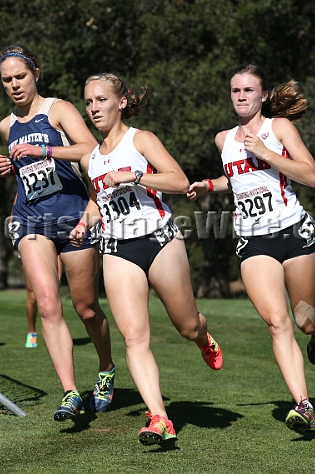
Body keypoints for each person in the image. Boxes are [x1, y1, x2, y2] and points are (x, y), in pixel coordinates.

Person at [69, 73, 224, 446]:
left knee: (186, 325)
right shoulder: (90, 158)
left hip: (160, 241)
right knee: (134, 337)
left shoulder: (141, 139)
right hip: (118, 250)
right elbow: (97, 201)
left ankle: (203, 337)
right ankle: (160, 418)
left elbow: (179, 180)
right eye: (89, 102)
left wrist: (137, 175)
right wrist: (83, 223)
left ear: (120, 102)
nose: (93, 109)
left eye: (101, 100)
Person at [187, 64, 315, 433]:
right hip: (254, 240)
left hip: (294, 232)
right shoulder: (223, 139)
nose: (242, 96)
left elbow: (310, 175)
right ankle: (304, 405)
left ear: (263, 95)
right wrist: (210, 185)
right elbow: (238, 179)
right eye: (236, 91)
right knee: (278, 323)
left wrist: (266, 152)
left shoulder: (279, 128)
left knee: (304, 320)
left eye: (249, 90)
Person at [0, 45, 115, 420]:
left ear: (36, 74)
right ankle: (70, 392)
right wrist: (10, 166)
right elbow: (27, 169)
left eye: (20, 77)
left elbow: (90, 150)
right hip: (30, 220)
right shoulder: (6, 126)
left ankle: (106, 368)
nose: (14, 85)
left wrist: (43, 149)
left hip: (73, 216)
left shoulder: (57, 109)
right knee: (47, 304)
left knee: (86, 308)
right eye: (7, 80)